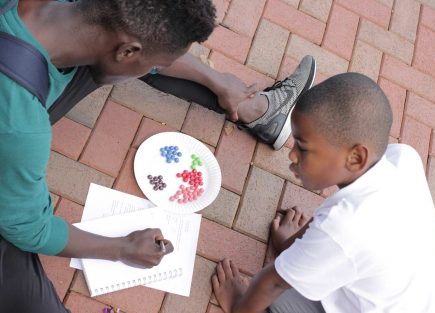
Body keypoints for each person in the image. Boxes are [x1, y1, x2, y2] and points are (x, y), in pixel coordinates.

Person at [0, 0, 315, 312]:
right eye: (155, 63)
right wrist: (122, 249)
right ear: (127, 51)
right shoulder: (22, 127)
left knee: (120, 51)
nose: (157, 68)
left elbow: (141, 43)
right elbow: (31, 229)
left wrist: (216, 82)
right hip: (12, 146)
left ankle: (257, 111)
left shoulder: (74, 16)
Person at [212, 72, 435, 313]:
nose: (291, 154)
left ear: (356, 157)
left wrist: (238, 304)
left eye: (303, 147)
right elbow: (331, 217)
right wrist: (291, 245)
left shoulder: (345, 227)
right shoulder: (401, 159)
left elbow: (273, 283)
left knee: (274, 297)